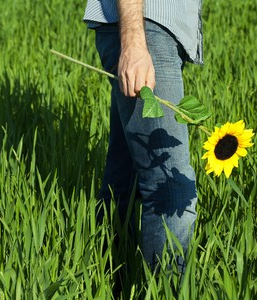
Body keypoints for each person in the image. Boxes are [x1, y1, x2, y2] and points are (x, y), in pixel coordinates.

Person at [83, 0, 203, 273]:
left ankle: (104, 283)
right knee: (173, 192)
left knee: (123, 180)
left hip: (146, 28)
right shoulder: (141, 36)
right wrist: (134, 43)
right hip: (144, 29)